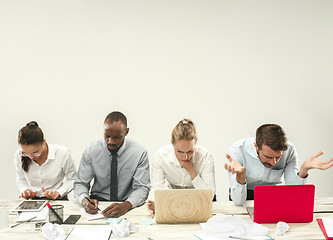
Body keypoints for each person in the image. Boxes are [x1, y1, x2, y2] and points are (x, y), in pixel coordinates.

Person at [224, 123, 333, 206]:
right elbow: (238, 201)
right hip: (244, 194)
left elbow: (294, 193)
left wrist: (303, 171)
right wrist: (241, 177)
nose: (274, 162)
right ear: (256, 146)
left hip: (274, 195)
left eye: (278, 157)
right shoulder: (238, 150)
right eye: (268, 157)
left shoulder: (289, 150)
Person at [74, 111, 150, 218]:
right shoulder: (91, 150)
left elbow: (142, 188)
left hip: (127, 204)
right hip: (98, 205)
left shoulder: (139, 152)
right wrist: (84, 199)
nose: (111, 141)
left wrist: (126, 205)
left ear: (126, 132)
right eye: (107, 136)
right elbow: (81, 183)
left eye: (116, 137)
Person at [147, 119, 216, 217]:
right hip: (172, 201)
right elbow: (156, 187)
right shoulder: (161, 156)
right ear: (172, 143)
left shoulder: (205, 156)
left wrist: (192, 171)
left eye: (189, 151)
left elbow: (210, 194)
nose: (185, 157)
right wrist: (155, 203)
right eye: (180, 152)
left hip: (200, 202)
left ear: (196, 141)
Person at [14, 121, 76, 200]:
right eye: (26, 153)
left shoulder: (62, 153)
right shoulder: (19, 154)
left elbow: (73, 179)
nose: (31, 157)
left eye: (35, 152)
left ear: (43, 142)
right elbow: (21, 179)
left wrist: (58, 192)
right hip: (34, 200)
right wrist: (26, 191)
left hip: (58, 200)